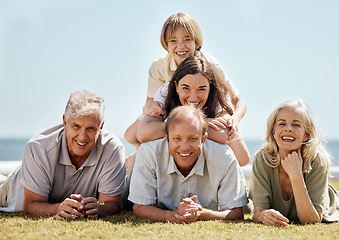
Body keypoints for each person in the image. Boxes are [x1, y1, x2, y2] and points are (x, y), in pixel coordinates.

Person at [124, 13, 246, 165]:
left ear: (196, 42)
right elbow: (149, 102)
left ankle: (139, 158)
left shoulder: (208, 65)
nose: (181, 46)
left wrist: (235, 119)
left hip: (198, 107)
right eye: (173, 41)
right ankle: (139, 155)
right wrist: (150, 107)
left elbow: (239, 101)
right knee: (130, 135)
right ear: (166, 44)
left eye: (187, 39)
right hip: (174, 104)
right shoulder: (159, 67)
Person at [0, 90, 126, 219]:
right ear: (65, 122)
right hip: (10, 190)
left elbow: (113, 203)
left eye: (90, 128)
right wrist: (58, 209)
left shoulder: (113, 149)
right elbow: (30, 205)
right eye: (76, 126)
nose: (82, 137)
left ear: (101, 127)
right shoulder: (38, 147)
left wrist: (99, 209)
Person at [128, 106, 248, 223]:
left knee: (249, 205)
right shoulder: (149, 152)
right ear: (167, 138)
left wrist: (201, 214)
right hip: (127, 186)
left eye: (192, 139)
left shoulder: (223, 156)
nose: (185, 147)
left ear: (203, 138)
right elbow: (140, 208)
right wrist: (173, 216)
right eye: (177, 139)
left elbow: (236, 212)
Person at [137, 56, 250, 167]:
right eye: (186, 88)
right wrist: (198, 123)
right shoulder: (165, 92)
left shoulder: (217, 96)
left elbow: (225, 136)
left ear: (210, 88)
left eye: (201, 89)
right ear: (176, 86)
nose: (193, 97)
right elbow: (143, 133)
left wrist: (184, 129)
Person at [248, 100, 339, 226]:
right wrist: (263, 215)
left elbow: (311, 220)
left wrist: (296, 175)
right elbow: (258, 212)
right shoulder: (262, 159)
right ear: (273, 132)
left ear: (306, 135)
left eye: (296, 125)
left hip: (333, 201)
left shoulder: (317, 160)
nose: (288, 129)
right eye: (282, 123)